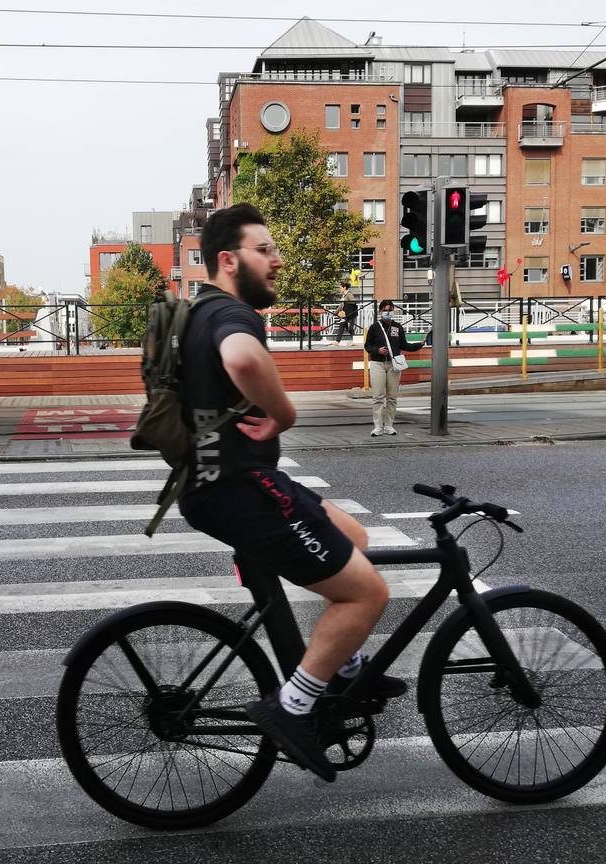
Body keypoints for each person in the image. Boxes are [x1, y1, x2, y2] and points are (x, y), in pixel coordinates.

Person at [176, 204, 403, 784]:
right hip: (239, 487)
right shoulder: (232, 313)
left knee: (354, 537)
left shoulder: (196, 309)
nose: (276, 261)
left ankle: (344, 669)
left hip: (222, 481)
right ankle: (293, 706)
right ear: (228, 261)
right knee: (366, 596)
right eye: (263, 250)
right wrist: (284, 412)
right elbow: (243, 358)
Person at [364, 299, 425, 437]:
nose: (388, 312)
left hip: (394, 365)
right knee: (378, 397)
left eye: (390, 310)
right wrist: (378, 350)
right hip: (377, 364)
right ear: (380, 311)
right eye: (385, 310)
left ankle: (389, 426)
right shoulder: (374, 327)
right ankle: (378, 426)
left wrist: (419, 344)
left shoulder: (397, 327)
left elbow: (404, 345)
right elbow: (367, 346)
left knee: (392, 397)